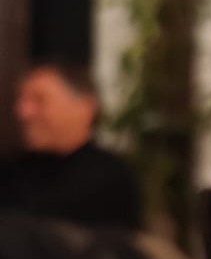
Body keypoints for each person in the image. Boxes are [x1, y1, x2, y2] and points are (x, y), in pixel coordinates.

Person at [0, 59, 143, 230]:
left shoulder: (110, 178)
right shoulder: (10, 169)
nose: (23, 112)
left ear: (85, 107)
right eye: (21, 100)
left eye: (39, 100)